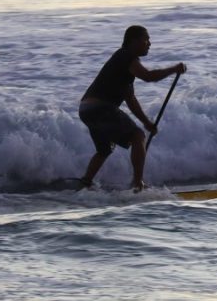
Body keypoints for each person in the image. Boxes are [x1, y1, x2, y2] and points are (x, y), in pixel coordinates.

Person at [78, 25, 186, 191]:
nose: (149, 43)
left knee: (105, 149)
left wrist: (146, 122)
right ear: (133, 41)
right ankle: (138, 184)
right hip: (100, 108)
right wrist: (174, 69)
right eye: (146, 39)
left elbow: (130, 98)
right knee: (138, 137)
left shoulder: (122, 61)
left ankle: (85, 183)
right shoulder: (126, 56)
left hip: (86, 110)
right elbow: (148, 77)